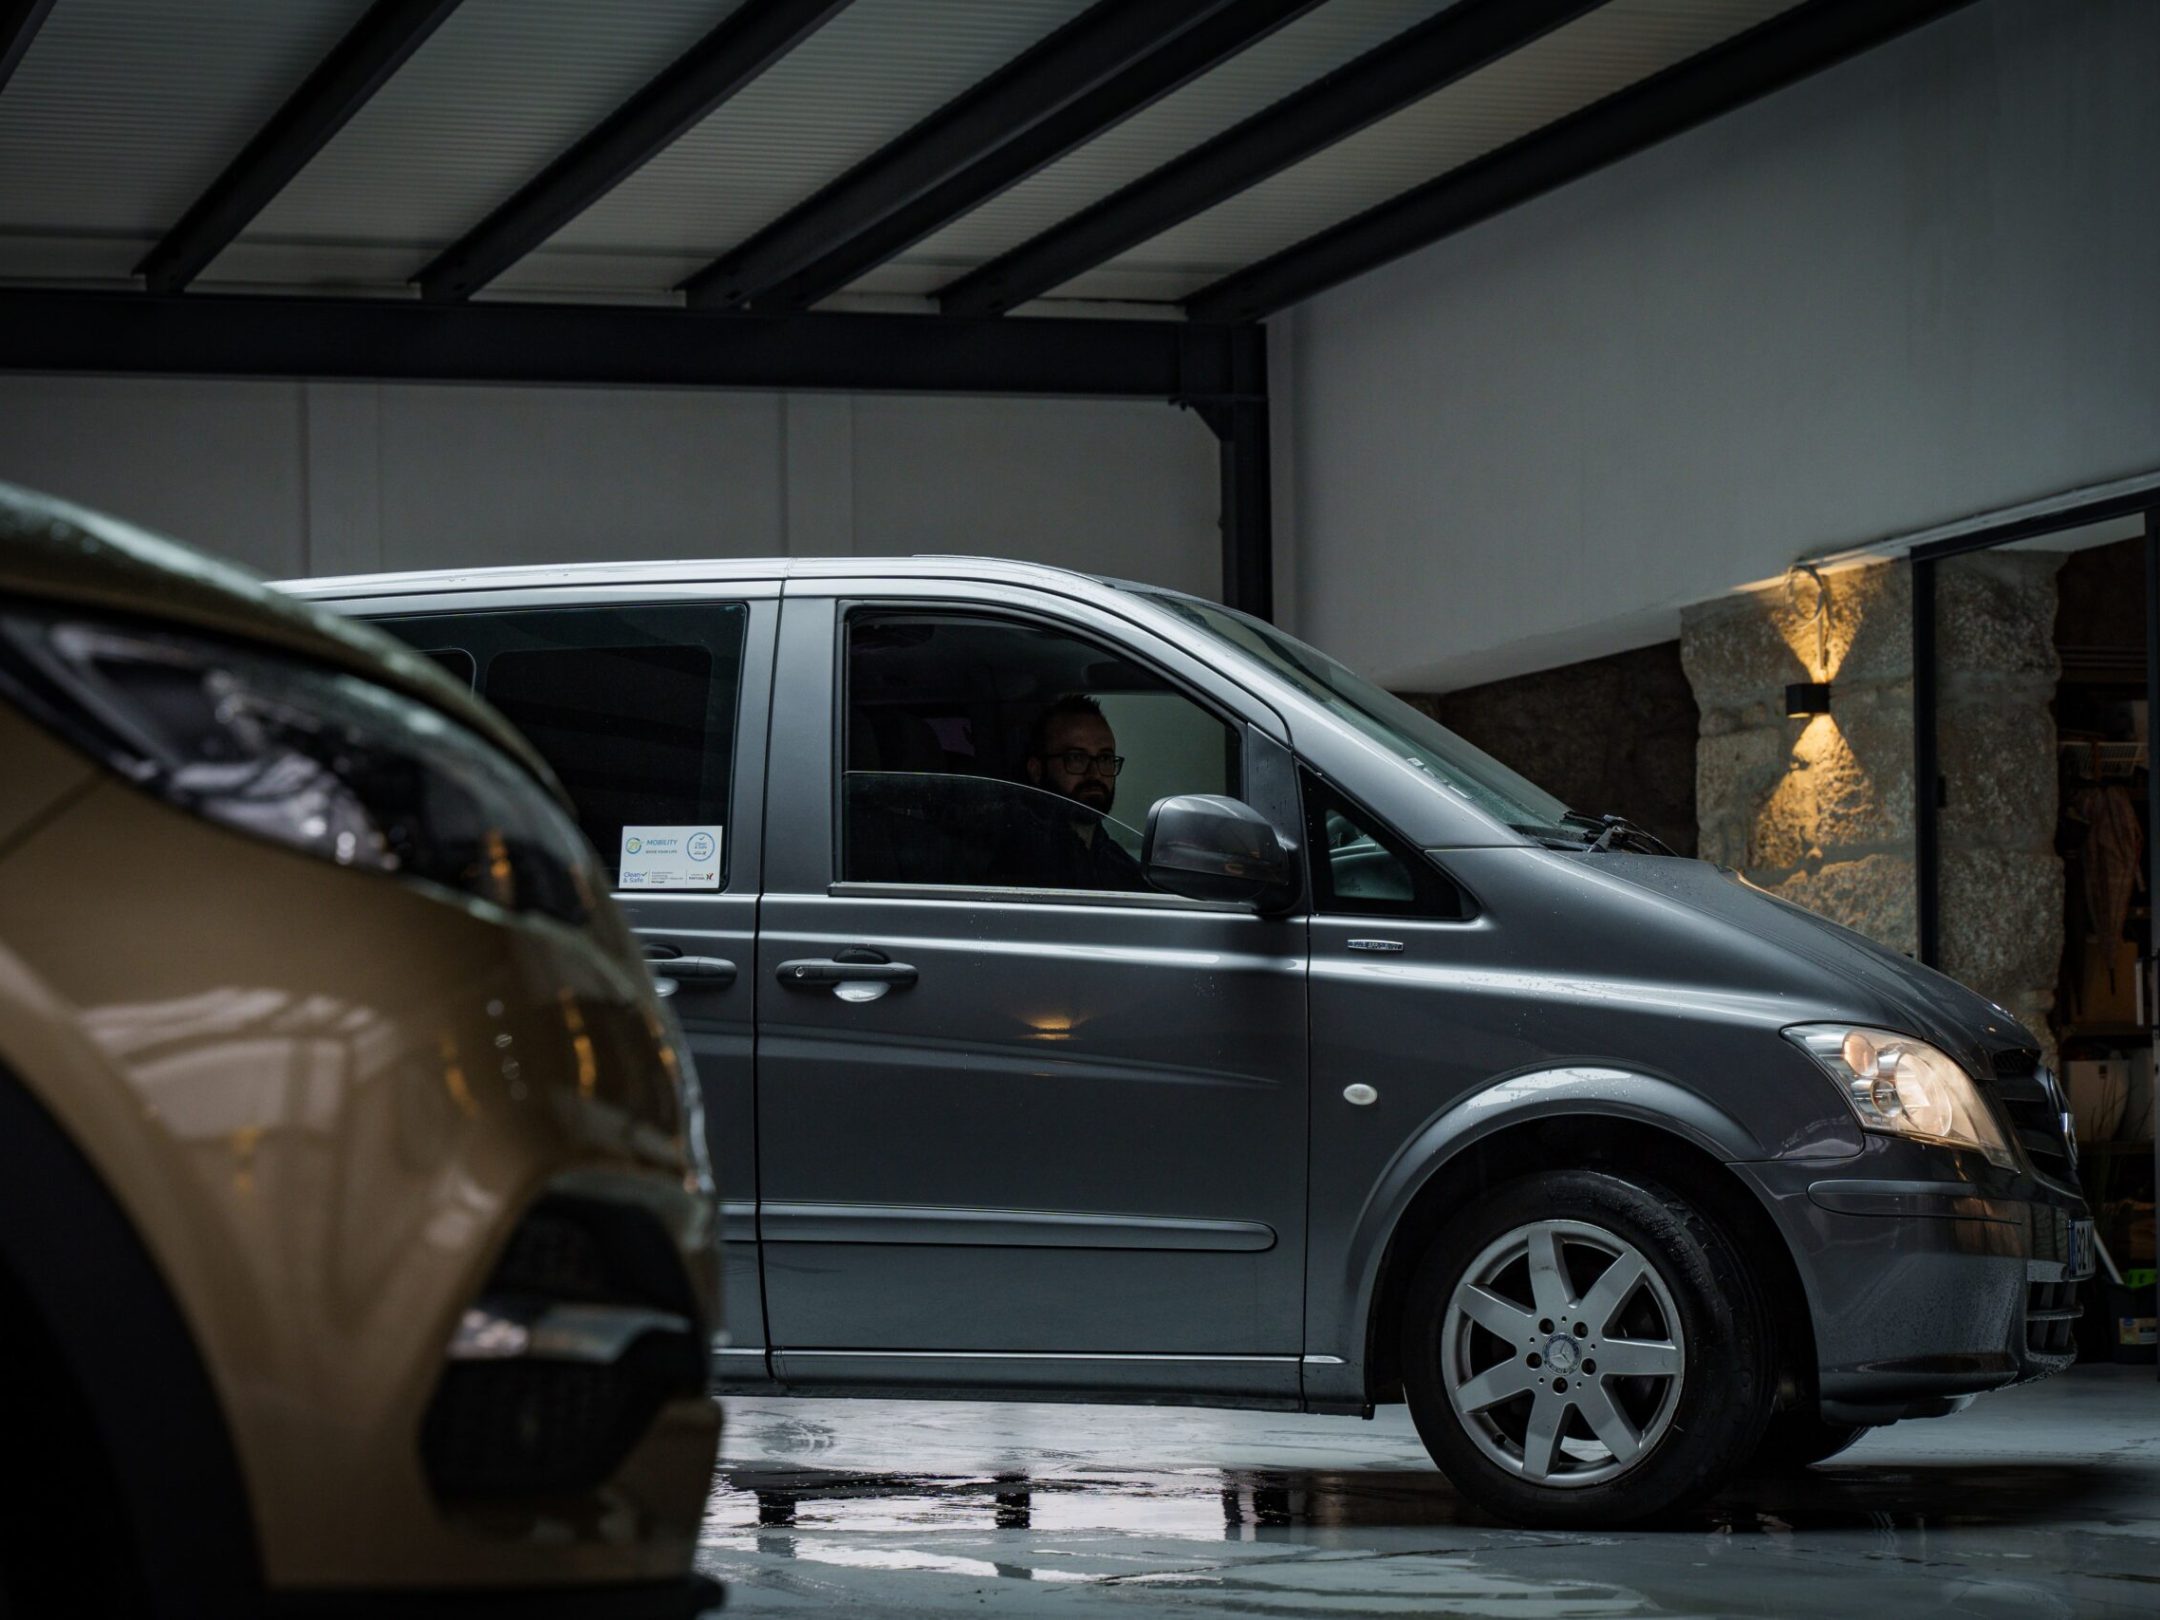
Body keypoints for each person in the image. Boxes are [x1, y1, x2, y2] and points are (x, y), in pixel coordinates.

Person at [988, 693, 1148, 892]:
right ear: (1037, 770)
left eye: (1105, 758)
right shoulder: (1019, 856)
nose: (1095, 773)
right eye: (1076, 758)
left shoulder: (1112, 858)